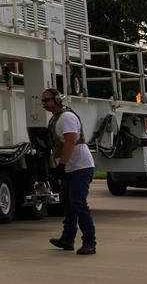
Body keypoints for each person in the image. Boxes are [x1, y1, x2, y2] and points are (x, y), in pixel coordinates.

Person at [43, 87, 96, 255]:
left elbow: (71, 140)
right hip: (70, 168)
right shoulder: (55, 119)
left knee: (78, 203)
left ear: (57, 100)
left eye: (47, 100)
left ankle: (89, 242)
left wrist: (62, 165)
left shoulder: (66, 117)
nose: (44, 103)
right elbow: (58, 143)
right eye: (43, 101)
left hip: (80, 166)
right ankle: (67, 239)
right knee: (67, 203)